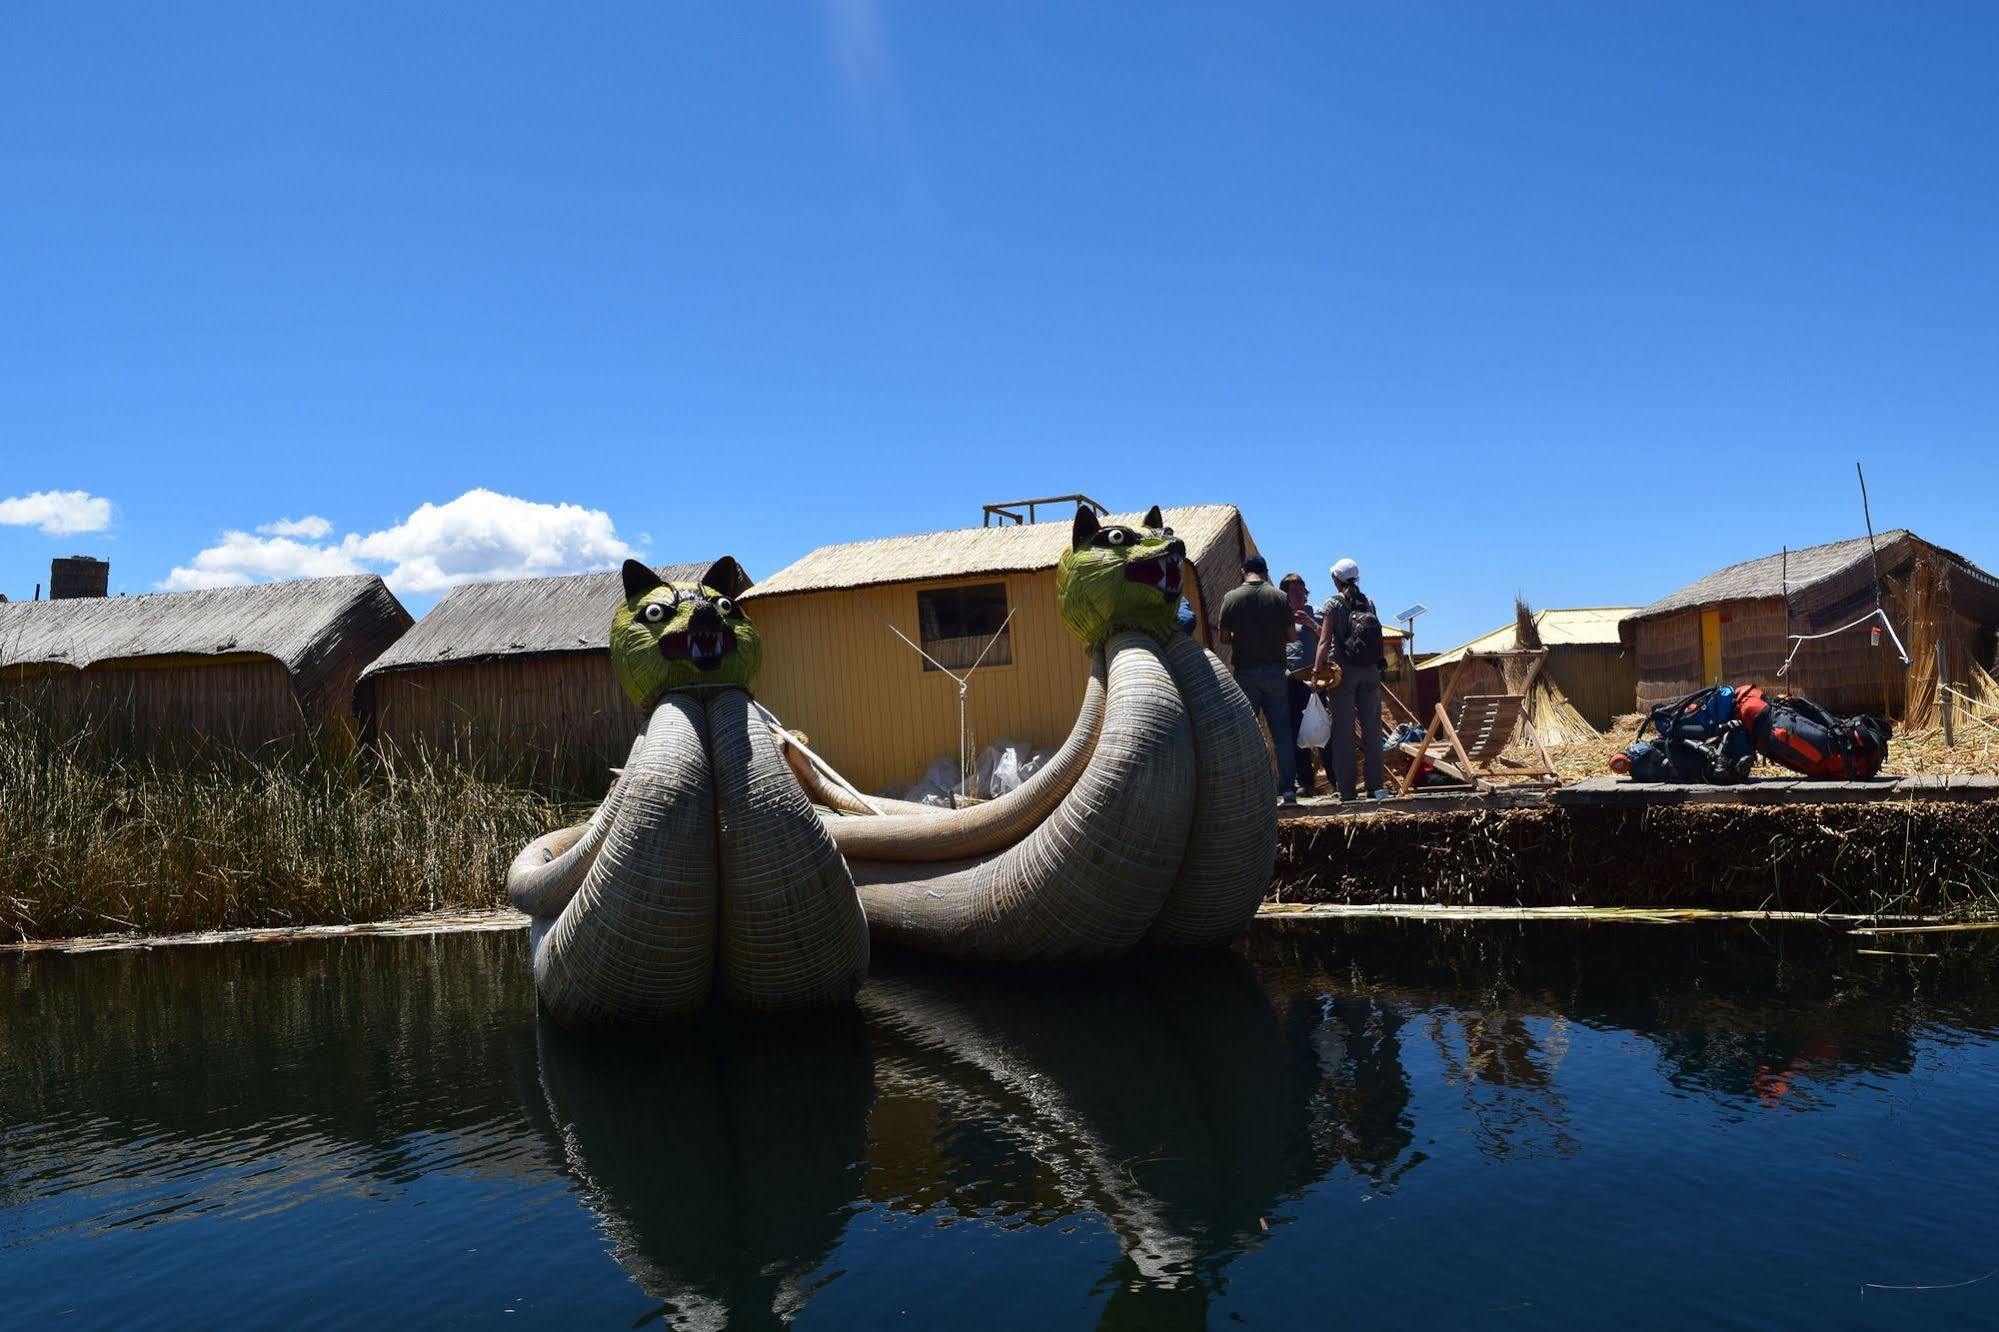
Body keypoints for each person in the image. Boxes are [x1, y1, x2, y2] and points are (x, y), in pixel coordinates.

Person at [1217, 553, 1299, 805]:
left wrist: (1242, 638)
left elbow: (1223, 638)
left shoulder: (1231, 598)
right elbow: (1292, 637)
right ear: (1265, 571)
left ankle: (1249, 792)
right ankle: (1288, 791)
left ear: (1243, 571)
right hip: (1275, 673)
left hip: (1246, 673)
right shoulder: (1279, 597)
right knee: (1282, 734)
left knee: (1246, 734)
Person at [1310, 557, 1388, 801]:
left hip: (1344, 673)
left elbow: (1324, 641)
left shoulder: (1333, 603)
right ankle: (1376, 787)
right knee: (1373, 731)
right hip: (1371, 671)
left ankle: (1347, 790)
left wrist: (1315, 672)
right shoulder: (1369, 602)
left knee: (1343, 732)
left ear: (1336, 579)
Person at [1278, 572, 1322, 797]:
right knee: (1296, 732)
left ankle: (1334, 778)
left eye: (1302, 589)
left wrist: (1311, 623)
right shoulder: (1279, 615)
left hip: (1313, 680)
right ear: (1284, 594)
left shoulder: (1315, 612)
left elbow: (1327, 638)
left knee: (1322, 730)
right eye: (1294, 590)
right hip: (1290, 679)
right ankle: (1306, 781)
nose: (1300, 593)